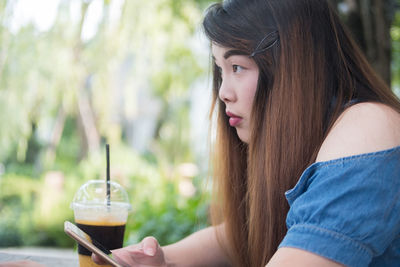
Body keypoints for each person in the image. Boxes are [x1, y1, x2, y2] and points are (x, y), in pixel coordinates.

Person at [3, 0, 399, 266]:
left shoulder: (369, 127)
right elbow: (241, 234)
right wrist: (163, 259)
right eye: (219, 70)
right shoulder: (318, 134)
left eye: (238, 67)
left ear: (293, 66)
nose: (223, 92)